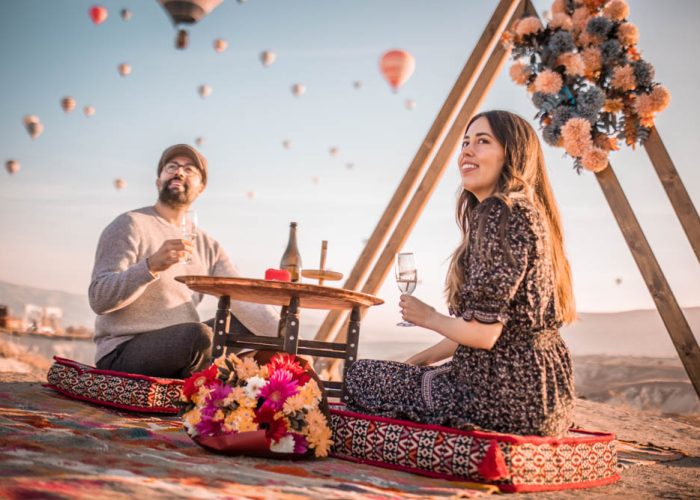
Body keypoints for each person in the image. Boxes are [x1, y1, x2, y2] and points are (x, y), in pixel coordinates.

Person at [345, 110, 577, 437]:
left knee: (359, 376)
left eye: (482, 142)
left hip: (500, 397)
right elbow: (481, 329)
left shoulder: (500, 213)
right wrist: (419, 359)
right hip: (546, 396)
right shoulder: (528, 213)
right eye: (465, 142)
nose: (466, 151)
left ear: (513, 154)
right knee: (396, 374)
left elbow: (484, 335)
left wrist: (427, 316)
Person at [89, 144, 279, 378]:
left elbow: (243, 298)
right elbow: (99, 299)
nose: (179, 172)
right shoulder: (130, 224)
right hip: (125, 349)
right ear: (158, 181)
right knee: (198, 337)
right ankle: (215, 381)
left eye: (189, 169)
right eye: (172, 167)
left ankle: (253, 387)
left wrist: (290, 343)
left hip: (184, 347)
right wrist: (150, 266)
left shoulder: (209, 245)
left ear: (201, 188)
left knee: (250, 324)